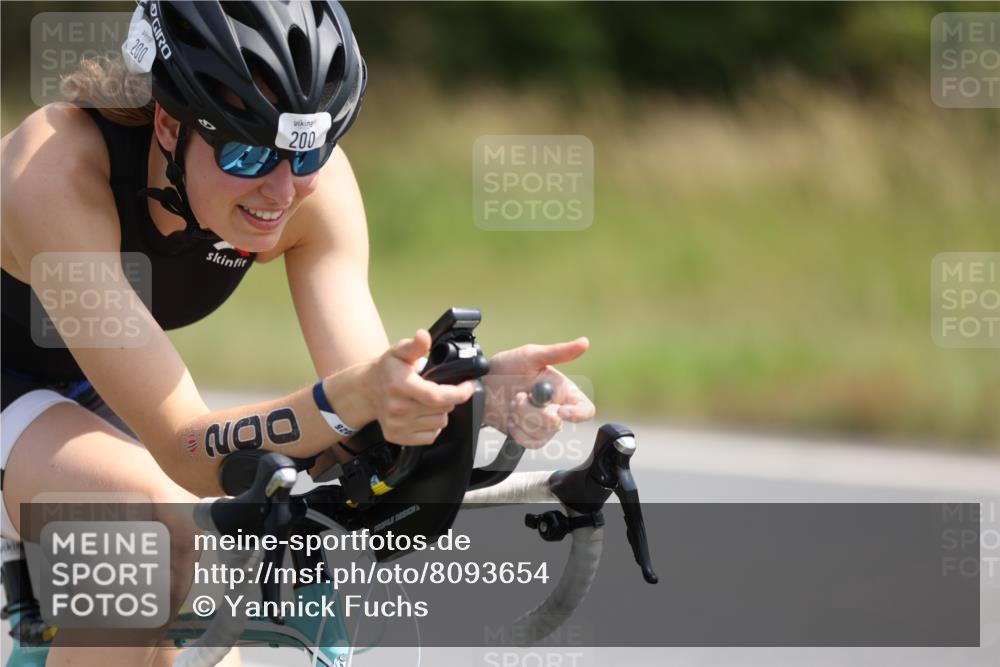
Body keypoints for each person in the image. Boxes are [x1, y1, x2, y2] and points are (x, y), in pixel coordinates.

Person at [0, 1, 595, 665]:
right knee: (154, 536)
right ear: (169, 123)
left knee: (200, 611)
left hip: (79, 385)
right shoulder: (53, 173)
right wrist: (353, 398)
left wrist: (463, 396)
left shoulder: (313, 186)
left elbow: (366, 402)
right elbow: (187, 449)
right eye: (249, 151)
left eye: (307, 149)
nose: (283, 189)